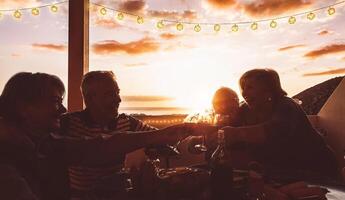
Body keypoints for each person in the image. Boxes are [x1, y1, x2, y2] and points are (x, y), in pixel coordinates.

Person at [0, 72, 195, 200]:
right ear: (24, 107)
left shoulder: (43, 143)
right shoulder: (9, 162)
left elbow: (98, 147)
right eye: (55, 101)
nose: (63, 109)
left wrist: (172, 137)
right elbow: (97, 148)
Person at [60, 71, 203, 198]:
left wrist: (193, 137)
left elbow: (161, 138)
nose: (118, 99)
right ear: (90, 99)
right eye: (110, 94)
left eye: (117, 92)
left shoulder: (127, 122)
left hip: (117, 193)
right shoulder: (68, 123)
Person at [221, 68, 339, 179]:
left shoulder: (287, 106)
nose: (244, 93)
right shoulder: (245, 110)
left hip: (315, 170)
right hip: (280, 172)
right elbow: (224, 132)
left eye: (250, 87)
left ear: (267, 91)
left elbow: (275, 131)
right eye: (243, 87)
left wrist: (236, 134)